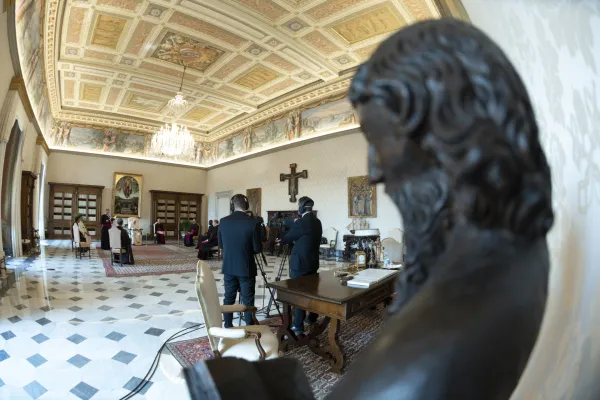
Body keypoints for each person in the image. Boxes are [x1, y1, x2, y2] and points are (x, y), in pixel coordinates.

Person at [281, 196, 323, 334]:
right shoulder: (317, 222)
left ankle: (298, 325)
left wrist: (287, 228)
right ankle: (311, 317)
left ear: (300, 208)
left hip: (299, 264)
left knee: (298, 294)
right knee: (311, 291)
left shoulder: (300, 223)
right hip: (313, 262)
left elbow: (287, 239)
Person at [219, 194, 262, 327]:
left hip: (229, 266)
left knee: (229, 298)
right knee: (248, 299)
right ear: (246, 206)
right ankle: (249, 325)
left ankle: (227, 325)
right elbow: (257, 249)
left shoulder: (223, 221)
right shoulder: (253, 222)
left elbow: (220, 244)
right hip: (246, 267)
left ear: (232, 206)